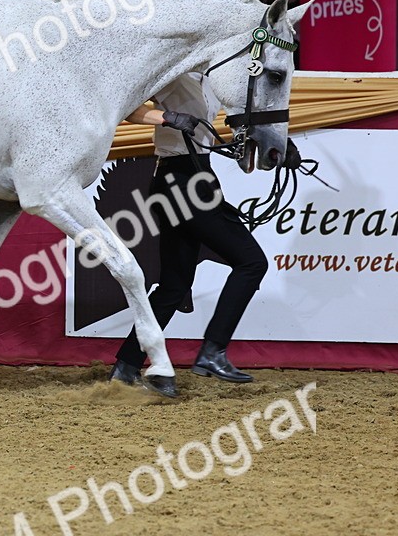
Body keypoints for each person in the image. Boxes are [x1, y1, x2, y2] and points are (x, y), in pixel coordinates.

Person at [111, 72, 300, 398]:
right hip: (180, 178)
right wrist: (166, 117)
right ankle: (213, 351)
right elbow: (128, 109)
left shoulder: (214, 81)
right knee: (251, 262)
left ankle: (127, 366)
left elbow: (238, 137)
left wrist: (279, 148)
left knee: (174, 286)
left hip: (194, 175)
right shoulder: (173, 73)